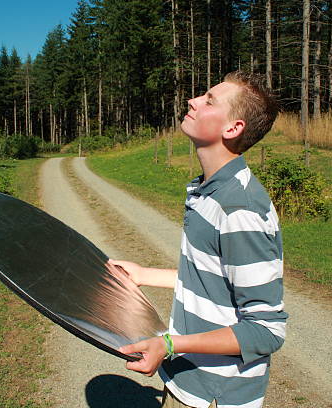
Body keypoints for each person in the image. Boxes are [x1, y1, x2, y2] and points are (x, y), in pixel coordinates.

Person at [109, 71, 287, 408]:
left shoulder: (239, 210)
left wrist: (171, 345)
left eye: (209, 101)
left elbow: (266, 330)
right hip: (187, 380)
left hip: (214, 396)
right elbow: (213, 280)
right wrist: (143, 274)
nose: (192, 101)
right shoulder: (207, 189)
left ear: (232, 128)